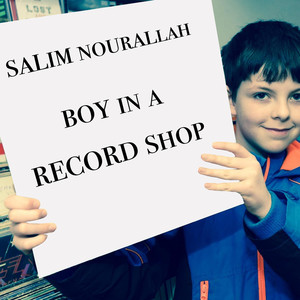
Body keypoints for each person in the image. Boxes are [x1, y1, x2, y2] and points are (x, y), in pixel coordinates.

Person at [5, 20, 300, 299]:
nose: (283, 112)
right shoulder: (191, 172)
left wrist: (266, 206)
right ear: (229, 100)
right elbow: (129, 286)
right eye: (262, 95)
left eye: (296, 96)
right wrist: (51, 247)